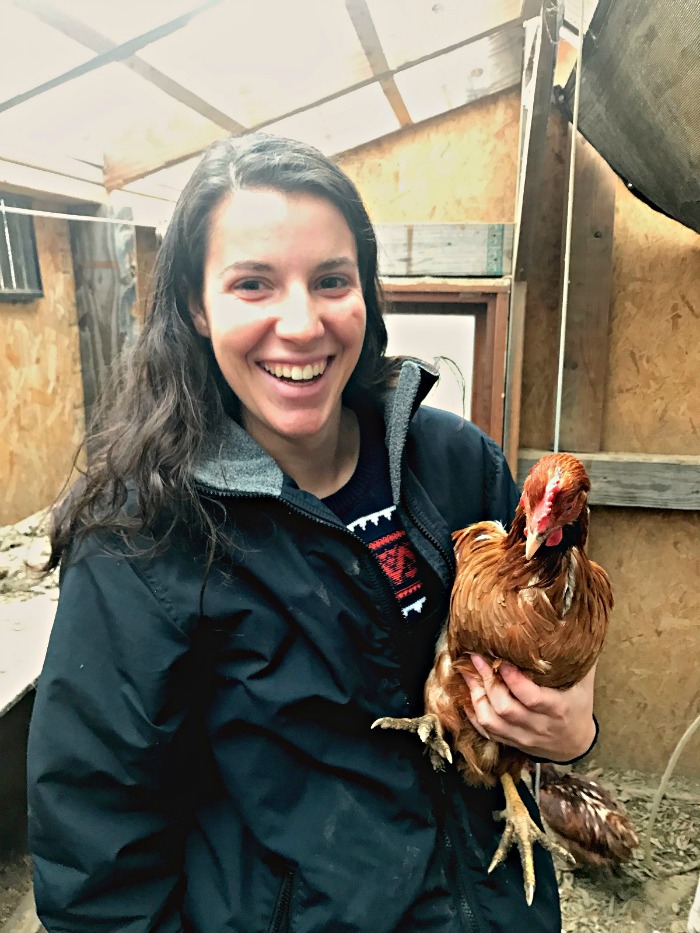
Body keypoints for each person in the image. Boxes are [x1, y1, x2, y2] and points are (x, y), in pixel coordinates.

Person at [28, 134, 597, 932]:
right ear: (196, 304)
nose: (301, 324)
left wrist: (573, 724)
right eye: (253, 283)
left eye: (331, 280)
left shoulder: (457, 464)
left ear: (366, 290)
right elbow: (96, 852)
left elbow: (548, 664)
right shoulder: (144, 533)